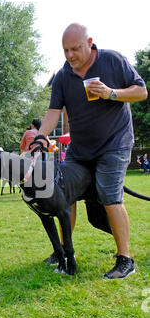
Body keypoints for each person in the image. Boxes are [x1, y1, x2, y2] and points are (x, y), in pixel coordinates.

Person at [35, 23, 148, 279]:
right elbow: (54, 111)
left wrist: (111, 93)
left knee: (109, 195)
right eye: (65, 50)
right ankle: (64, 251)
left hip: (114, 143)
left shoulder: (112, 60)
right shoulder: (64, 75)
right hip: (80, 148)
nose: (70, 55)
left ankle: (125, 259)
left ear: (90, 43)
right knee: (64, 194)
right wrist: (41, 135)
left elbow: (141, 91)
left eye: (75, 49)